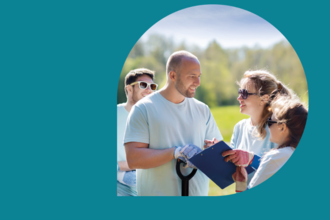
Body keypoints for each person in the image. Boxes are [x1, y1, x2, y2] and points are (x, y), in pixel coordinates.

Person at [124, 51, 223, 196]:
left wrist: (213, 150)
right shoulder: (144, 108)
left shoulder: (202, 110)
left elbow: (219, 155)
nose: (198, 82)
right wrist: (175, 152)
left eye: (199, 76)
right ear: (172, 76)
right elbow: (133, 159)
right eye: (192, 76)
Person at [205, 70, 293, 190]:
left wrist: (251, 159)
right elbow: (236, 174)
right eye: (239, 92)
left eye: (245, 93)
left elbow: (281, 167)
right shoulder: (239, 128)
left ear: (264, 98)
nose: (239, 98)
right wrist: (220, 152)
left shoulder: (279, 130)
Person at [222, 94, 308, 191]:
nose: (267, 124)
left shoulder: (275, 157)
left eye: (270, 121)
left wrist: (241, 184)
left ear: (282, 127)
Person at [117, 68, 158, 196]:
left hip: (149, 184)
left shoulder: (156, 118)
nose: (149, 90)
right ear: (129, 89)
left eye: (152, 86)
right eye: (143, 85)